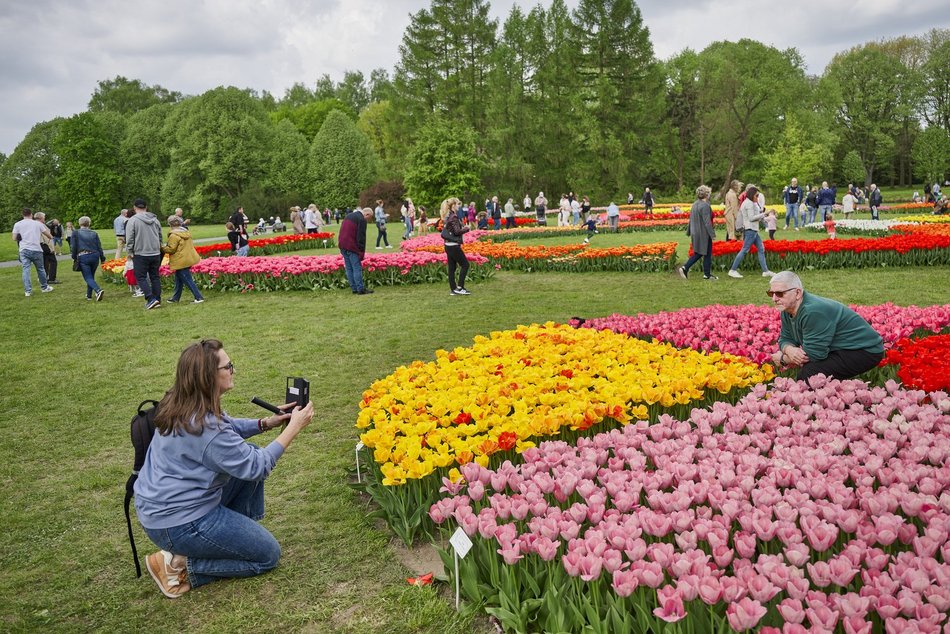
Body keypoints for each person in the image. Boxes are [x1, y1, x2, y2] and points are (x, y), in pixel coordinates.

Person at [134, 338, 315, 598]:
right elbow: (258, 467)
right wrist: (294, 427)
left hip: (161, 509)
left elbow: (228, 427)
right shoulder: (207, 429)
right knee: (267, 556)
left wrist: (266, 422)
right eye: (228, 366)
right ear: (208, 376)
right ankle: (179, 565)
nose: (233, 370)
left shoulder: (181, 401)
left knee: (245, 458)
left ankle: (227, 540)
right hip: (180, 522)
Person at [767, 271, 884, 383]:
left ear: (798, 293)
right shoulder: (787, 310)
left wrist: (784, 359)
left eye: (780, 293)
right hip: (838, 349)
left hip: (864, 350)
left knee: (809, 375)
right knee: (814, 373)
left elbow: (814, 355)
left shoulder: (812, 311)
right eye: (771, 293)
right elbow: (785, 339)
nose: (774, 299)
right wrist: (789, 350)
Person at [727, 185, 775, 279]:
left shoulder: (751, 203)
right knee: (744, 250)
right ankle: (732, 270)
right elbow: (751, 218)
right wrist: (764, 213)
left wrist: (764, 218)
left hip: (753, 230)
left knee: (761, 249)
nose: (758, 197)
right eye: (756, 195)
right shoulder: (748, 204)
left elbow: (756, 215)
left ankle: (765, 271)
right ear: (752, 195)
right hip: (750, 230)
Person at [125, 199, 164, 310]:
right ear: (146, 207)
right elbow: (160, 236)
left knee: (140, 277)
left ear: (134, 207)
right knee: (155, 277)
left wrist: (130, 251)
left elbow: (130, 238)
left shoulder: (132, 221)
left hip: (140, 252)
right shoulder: (155, 220)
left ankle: (150, 298)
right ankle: (157, 299)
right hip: (155, 252)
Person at [676, 185, 717, 281]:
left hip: (695, 232)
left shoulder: (695, 204)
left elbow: (691, 219)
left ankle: (705, 274)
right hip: (703, 233)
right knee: (704, 253)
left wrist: (689, 231)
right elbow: (707, 222)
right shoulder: (705, 206)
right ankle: (686, 268)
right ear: (706, 194)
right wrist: (712, 234)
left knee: (700, 252)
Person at [12, 208, 54, 297]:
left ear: (22, 214)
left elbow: (14, 238)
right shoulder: (37, 224)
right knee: (40, 269)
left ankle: (28, 291)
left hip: (24, 249)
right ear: (31, 214)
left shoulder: (17, 224)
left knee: (26, 270)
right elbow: (49, 235)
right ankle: (44, 287)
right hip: (36, 248)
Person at [163, 216, 205, 304]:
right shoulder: (186, 232)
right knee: (179, 278)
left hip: (180, 259)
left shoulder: (173, 235)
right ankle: (175, 298)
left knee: (187, 279)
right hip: (188, 258)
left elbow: (171, 249)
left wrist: (161, 248)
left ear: (170, 224)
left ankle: (198, 297)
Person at [70, 216, 106, 301]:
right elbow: (99, 247)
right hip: (95, 256)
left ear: (79, 223)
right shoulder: (94, 233)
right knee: (91, 276)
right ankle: (89, 295)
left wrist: (74, 257)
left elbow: (73, 246)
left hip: (83, 256)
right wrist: (102, 258)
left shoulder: (76, 233)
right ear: (89, 223)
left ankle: (98, 290)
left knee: (88, 277)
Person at [338, 207, 374, 295]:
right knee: (356, 267)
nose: (368, 220)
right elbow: (361, 237)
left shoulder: (349, 216)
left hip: (343, 244)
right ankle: (360, 289)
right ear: (367, 214)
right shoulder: (361, 219)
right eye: (369, 218)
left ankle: (354, 288)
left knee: (349, 267)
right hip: (351, 246)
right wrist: (361, 252)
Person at [440, 197, 471, 295]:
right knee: (465, 265)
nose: (459, 206)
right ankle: (460, 287)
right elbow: (457, 232)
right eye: (458, 204)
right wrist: (467, 228)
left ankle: (453, 289)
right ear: (453, 205)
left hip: (448, 245)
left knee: (451, 268)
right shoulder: (453, 217)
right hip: (453, 245)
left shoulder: (448, 215)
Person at [34, 212, 60, 285]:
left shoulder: (33, 225)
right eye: (44, 217)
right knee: (53, 261)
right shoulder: (41, 225)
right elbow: (47, 237)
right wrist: (51, 248)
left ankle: (43, 278)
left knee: (44, 263)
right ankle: (51, 278)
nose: (45, 218)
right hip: (44, 245)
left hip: (37, 246)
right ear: (41, 218)